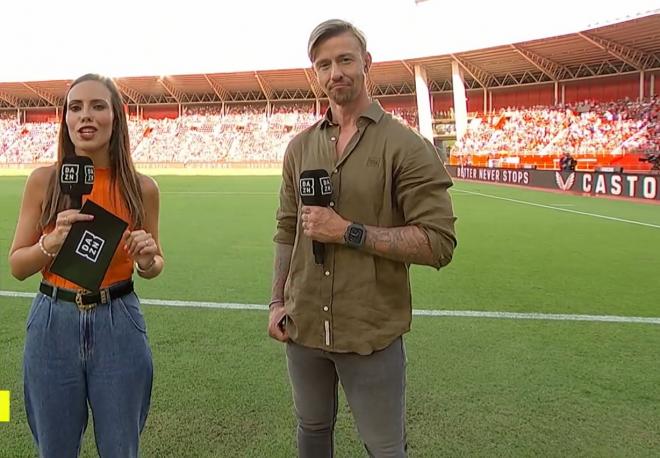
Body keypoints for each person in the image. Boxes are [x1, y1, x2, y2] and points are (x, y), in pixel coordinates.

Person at [267, 19, 457, 458]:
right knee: (311, 430)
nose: (335, 72)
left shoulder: (406, 146)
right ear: (315, 73)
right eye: (324, 64)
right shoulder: (299, 148)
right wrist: (277, 301)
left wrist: (348, 232)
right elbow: (286, 229)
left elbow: (438, 243)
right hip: (304, 326)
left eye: (345, 60)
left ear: (366, 63)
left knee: (384, 447)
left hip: (371, 330)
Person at [8, 73, 164, 457]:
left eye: (97, 106)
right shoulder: (44, 181)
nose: (85, 116)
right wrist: (51, 243)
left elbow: (155, 260)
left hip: (119, 322)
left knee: (120, 449)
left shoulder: (142, 188)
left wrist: (147, 260)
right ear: (65, 119)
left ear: (116, 117)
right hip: (51, 323)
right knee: (55, 450)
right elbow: (17, 265)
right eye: (75, 107)